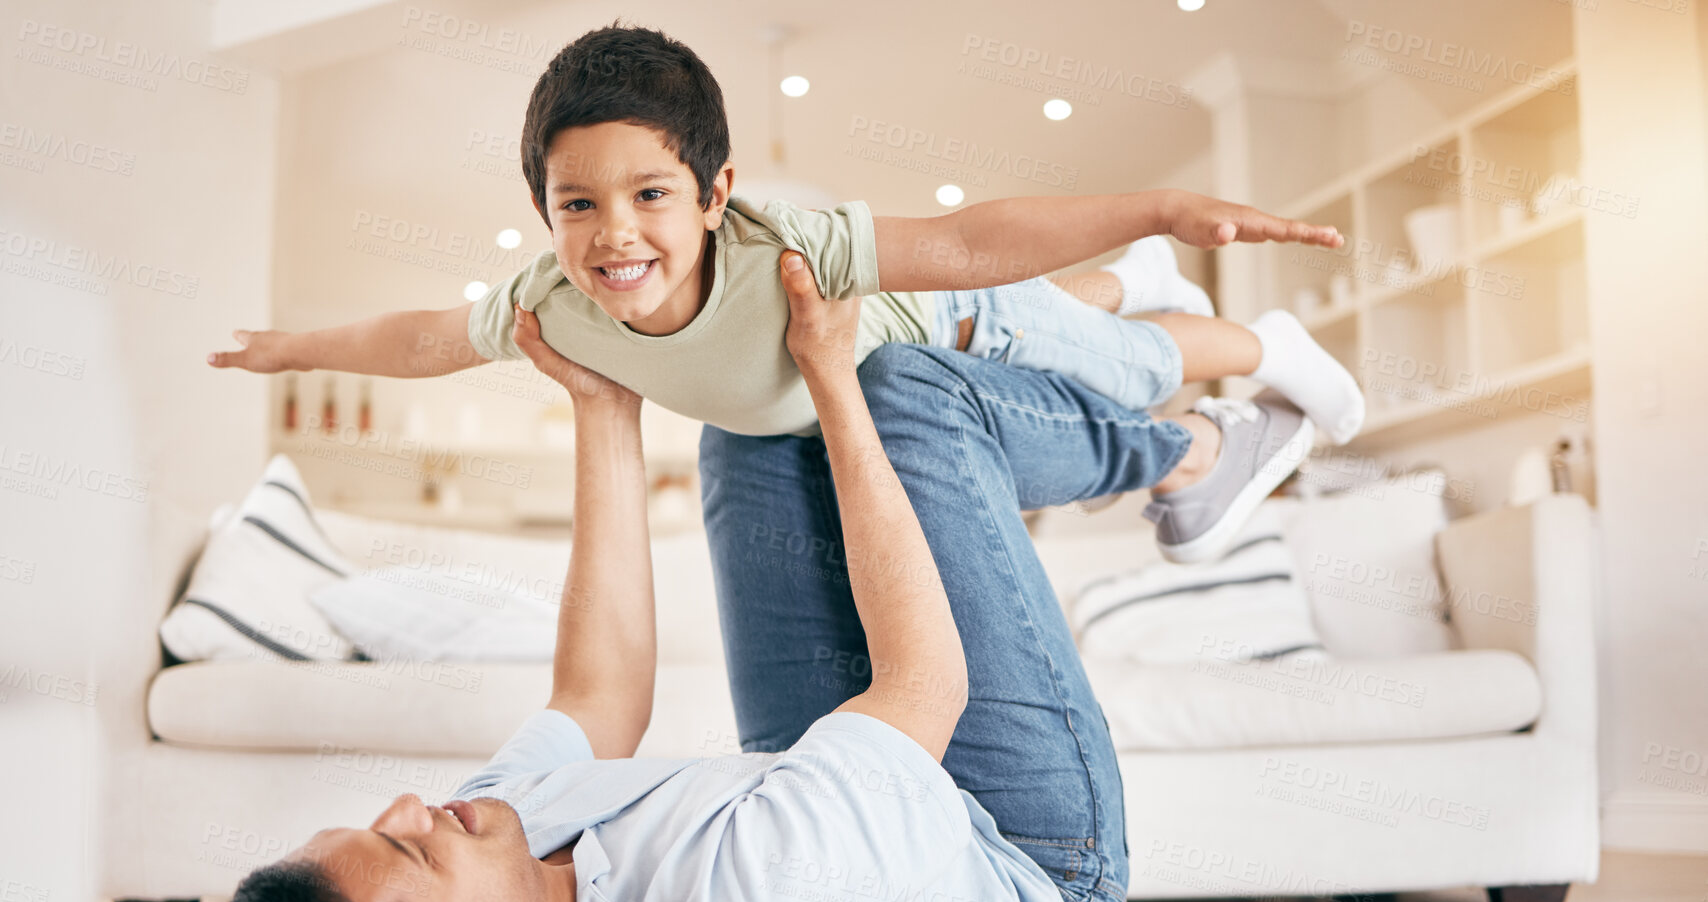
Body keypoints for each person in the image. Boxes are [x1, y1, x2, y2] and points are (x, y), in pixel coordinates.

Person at [205, 254, 1130, 902]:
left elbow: (597, 695)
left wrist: (601, 399)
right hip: (1016, 861)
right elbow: (925, 688)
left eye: (378, 823)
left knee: (748, 415)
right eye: (405, 850)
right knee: (899, 395)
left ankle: (1099, 322)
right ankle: (1180, 451)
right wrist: (835, 379)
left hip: (831, 794)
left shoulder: (490, 871)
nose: (412, 807)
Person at [207, 23, 1358, 562]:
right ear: (544, 209)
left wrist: (1155, 205)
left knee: (1147, 367)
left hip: (968, 330)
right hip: (908, 355)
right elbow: (422, 340)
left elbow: (962, 243)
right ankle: (1128, 288)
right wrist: (295, 348)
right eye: (577, 205)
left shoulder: (779, 243)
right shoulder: (550, 301)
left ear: (714, 194)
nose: (615, 236)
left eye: (650, 194)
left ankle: (1266, 348)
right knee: (1107, 327)